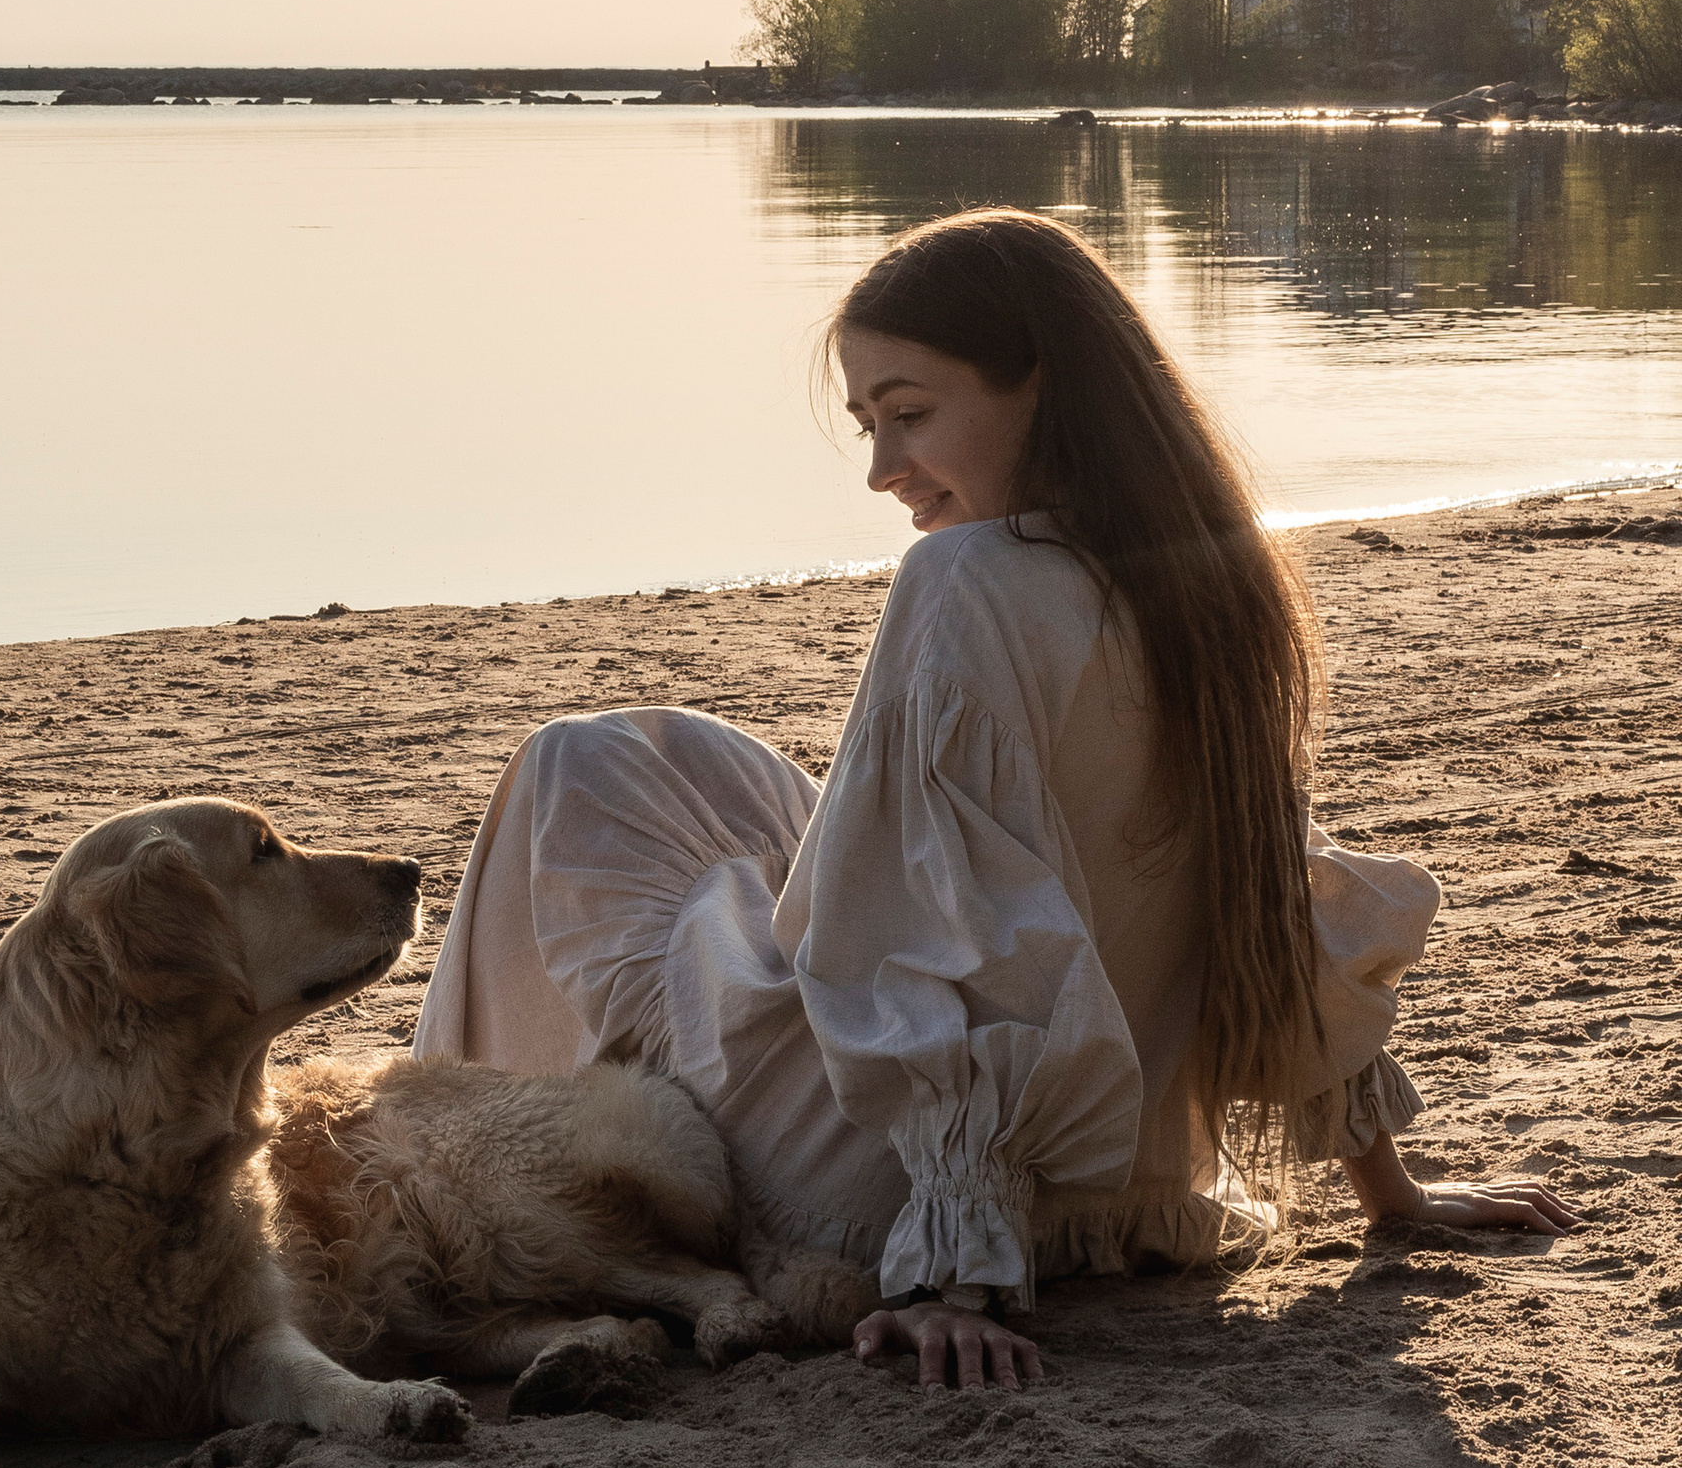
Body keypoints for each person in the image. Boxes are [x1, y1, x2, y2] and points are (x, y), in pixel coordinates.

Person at [413, 207, 1573, 1389]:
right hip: (1113, 1191)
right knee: (678, 760)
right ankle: (513, 1159)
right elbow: (1272, 900)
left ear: (1044, 386)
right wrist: (1397, 1194)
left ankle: (465, 1182)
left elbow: (950, 936)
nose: (881, 471)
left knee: (573, 768)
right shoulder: (1224, 584)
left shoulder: (964, 578)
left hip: (879, 1187)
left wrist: (951, 1276)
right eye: (868, 426)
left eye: (911, 415)